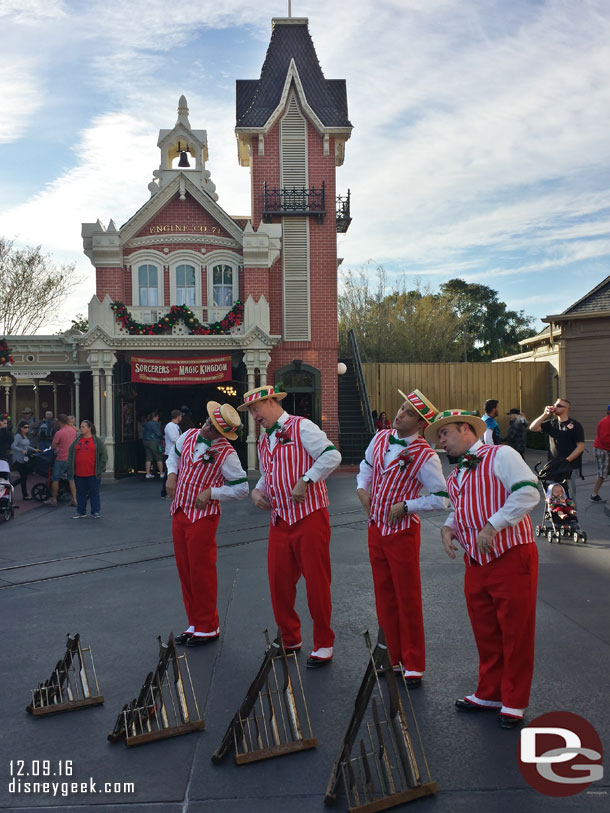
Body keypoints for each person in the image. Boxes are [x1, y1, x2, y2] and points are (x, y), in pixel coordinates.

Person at [425, 408, 540, 729]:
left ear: (465, 429)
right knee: (486, 630)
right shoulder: (458, 472)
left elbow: (529, 491)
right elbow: (463, 507)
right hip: (476, 561)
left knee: (515, 631)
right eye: (438, 438)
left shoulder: (501, 454)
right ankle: (490, 693)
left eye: (444, 434)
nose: (441, 442)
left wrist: (493, 525)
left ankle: (514, 700)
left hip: (511, 554)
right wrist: (448, 527)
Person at [240, 384, 341, 668]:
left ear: (272, 402)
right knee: (279, 582)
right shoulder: (263, 439)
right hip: (280, 519)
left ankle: (323, 643)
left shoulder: (302, 426)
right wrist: (257, 491)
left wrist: (307, 479)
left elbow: (332, 456)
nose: (254, 416)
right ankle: (290, 637)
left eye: (256, 409)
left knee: (317, 583)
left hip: (309, 515)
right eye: (250, 412)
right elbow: (267, 473)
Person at [356, 389, 448, 687]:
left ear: (420, 423)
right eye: (401, 408)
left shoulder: (426, 455)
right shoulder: (381, 438)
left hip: (402, 533)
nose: (399, 414)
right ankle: (391, 655)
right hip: (376, 529)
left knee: (407, 597)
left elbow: (442, 498)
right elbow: (366, 467)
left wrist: (409, 505)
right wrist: (362, 488)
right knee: (383, 596)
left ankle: (414, 662)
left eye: (408, 412)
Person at [166, 402, 248, 646]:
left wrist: (212, 492)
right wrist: (172, 474)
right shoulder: (189, 435)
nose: (205, 427)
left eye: (212, 428)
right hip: (179, 511)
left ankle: (208, 626)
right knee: (186, 571)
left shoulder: (227, 453)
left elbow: (242, 488)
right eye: (207, 421)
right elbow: (174, 456)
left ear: (221, 434)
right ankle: (195, 621)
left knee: (202, 571)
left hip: (203, 517)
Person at [529, 398, 584, 498]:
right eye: (555, 405)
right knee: (552, 495)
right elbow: (532, 428)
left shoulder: (575, 425)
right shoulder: (552, 423)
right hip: (553, 466)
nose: (555, 407)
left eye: (559, 406)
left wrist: (566, 461)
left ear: (567, 408)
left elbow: (580, 447)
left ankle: (571, 513)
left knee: (568, 496)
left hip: (568, 467)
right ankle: (554, 513)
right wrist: (545, 414)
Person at [66, 421, 108, 518]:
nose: (81, 428)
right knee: (80, 493)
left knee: (94, 493)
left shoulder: (97, 441)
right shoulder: (76, 441)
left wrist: (99, 469)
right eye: (80, 427)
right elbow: (71, 455)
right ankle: (81, 511)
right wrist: (70, 468)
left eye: (83, 427)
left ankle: (95, 511)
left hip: (92, 473)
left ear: (89, 428)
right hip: (79, 473)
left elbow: (104, 456)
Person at [44, 414, 77, 506]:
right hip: (70, 458)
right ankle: (74, 499)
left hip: (61, 458)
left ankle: (54, 499)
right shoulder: (73, 431)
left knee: (55, 479)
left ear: (59, 422)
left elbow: (53, 446)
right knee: (71, 479)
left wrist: (57, 447)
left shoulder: (59, 433)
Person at [11, 420, 38, 500]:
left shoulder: (25, 436)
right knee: (23, 477)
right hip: (19, 459)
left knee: (24, 477)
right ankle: (24, 494)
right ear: (21, 428)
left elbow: (26, 446)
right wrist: (21, 450)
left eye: (28, 427)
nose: (27, 429)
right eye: (25, 427)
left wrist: (34, 449)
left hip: (24, 459)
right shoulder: (18, 436)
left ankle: (13, 487)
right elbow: (13, 446)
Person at [161, 409, 182, 499]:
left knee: (175, 474)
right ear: (178, 416)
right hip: (170, 452)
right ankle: (165, 493)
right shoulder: (170, 426)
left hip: (175, 452)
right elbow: (174, 439)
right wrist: (182, 440)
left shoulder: (175, 426)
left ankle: (174, 492)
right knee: (169, 474)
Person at [590, 405, 610, 503]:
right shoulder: (606, 422)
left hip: (606, 448)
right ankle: (594, 495)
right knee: (603, 472)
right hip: (603, 449)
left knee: (604, 472)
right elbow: (604, 439)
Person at [142, 411, 164, 479]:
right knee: (158, 457)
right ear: (154, 417)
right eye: (157, 417)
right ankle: (161, 473)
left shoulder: (147, 423)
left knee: (148, 457)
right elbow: (158, 433)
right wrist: (162, 437)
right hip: (153, 441)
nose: (158, 418)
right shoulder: (154, 424)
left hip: (145, 441)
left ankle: (148, 473)